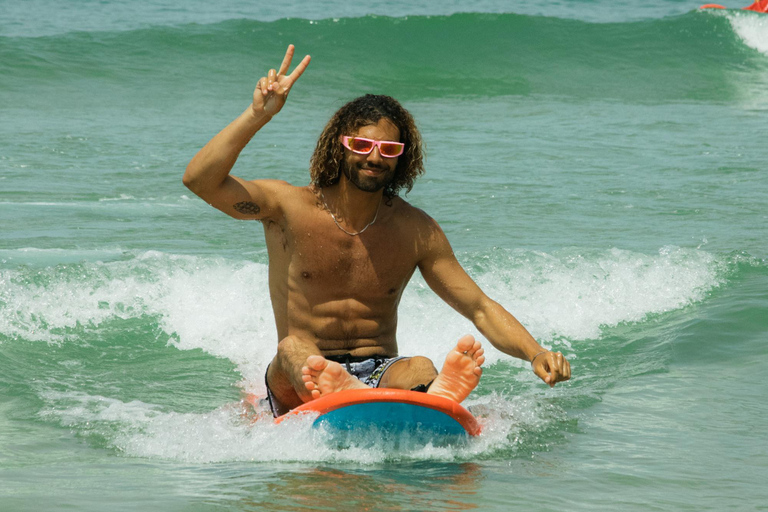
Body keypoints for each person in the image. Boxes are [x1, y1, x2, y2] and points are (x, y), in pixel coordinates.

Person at [183, 45, 571, 417]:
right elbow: (201, 181)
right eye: (363, 145)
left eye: (388, 150)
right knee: (294, 349)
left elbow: (480, 308)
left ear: (403, 156)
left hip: (381, 366)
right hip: (301, 372)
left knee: (419, 366)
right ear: (342, 147)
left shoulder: (414, 229)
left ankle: (426, 395)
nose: (374, 157)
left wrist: (535, 353)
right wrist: (258, 115)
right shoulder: (287, 207)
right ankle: (353, 394)